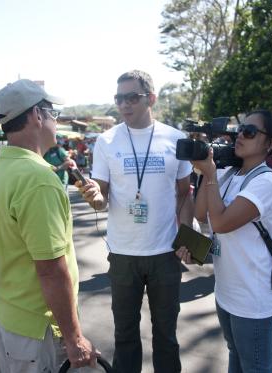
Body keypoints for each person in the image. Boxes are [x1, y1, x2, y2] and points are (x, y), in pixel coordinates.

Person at [77, 70, 192, 373]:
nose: (124, 105)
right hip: (123, 254)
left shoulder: (175, 138)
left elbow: (184, 194)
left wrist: (187, 237)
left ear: (150, 98)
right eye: (119, 99)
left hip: (165, 254)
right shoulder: (106, 140)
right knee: (125, 336)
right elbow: (101, 196)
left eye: (132, 97)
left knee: (166, 336)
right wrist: (95, 199)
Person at [0, 79, 96, 372]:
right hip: (37, 327)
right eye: (52, 112)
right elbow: (51, 270)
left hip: (9, 314)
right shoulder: (38, 179)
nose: (55, 120)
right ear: (36, 115)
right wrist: (74, 338)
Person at [176, 110, 272, 373]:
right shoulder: (229, 174)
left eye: (249, 132)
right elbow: (203, 214)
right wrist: (206, 172)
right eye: (240, 130)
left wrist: (211, 175)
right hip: (226, 292)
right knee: (236, 357)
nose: (240, 136)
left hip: (253, 298)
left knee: (255, 368)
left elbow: (222, 224)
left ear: (271, 144)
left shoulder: (267, 182)